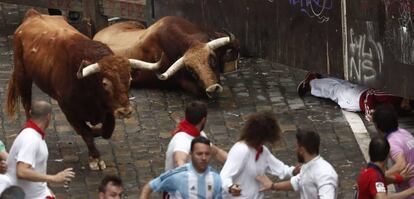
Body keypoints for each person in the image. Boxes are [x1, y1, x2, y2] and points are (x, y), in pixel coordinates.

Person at [3, 100, 75, 199]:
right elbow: (21, 171)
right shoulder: (31, 139)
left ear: (30, 113)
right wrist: (53, 178)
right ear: (48, 117)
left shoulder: (33, 135)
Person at [220, 111, 299, 199]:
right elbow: (224, 175)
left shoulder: (263, 151)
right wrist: (230, 187)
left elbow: (280, 169)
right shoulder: (241, 150)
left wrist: (294, 171)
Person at [297, 72, 412, 121]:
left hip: (359, 96)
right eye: (407, 105)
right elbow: (371, 93)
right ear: (406, 98)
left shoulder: (402, 107)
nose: (405, 107)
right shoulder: (394, 96)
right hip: (358, 98)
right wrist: (369, 111)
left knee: (342, 86)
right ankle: (312, 82)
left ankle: (320, 78)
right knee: (337, 92)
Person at [256, 130, 338, 199]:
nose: (296, 150)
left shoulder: (325, 175)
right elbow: (297, 182)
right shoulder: (308, 166)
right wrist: (272, 186)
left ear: (302, 150)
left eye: (297, 147)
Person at [139, 136, 223, 199]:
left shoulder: (216, 179)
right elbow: (149, 187)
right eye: (199, 154)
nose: (204, 158)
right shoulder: (178, 175)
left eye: (207, 154)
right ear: (191, 154)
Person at [165, 101, 227, 171]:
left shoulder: (199, 135)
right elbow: (179, 161)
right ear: (203, 120)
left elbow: (216, 153)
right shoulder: (182, 139)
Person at [373, 104, 414, 198]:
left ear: (377, 126)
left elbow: (401, 164)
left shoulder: (392, 143)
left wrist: (377, 176)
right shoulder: (404, 132)